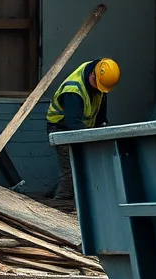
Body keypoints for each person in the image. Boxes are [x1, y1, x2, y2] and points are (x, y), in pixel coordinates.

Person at [46, 57, 120, 201]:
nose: (100, 90)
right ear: (93, 75)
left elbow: (100, 116)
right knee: (71, 173)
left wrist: (102, 128)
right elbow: (74, 125)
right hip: (62, 129)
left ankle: (62, 196)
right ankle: (59, 206)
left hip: (83, 128)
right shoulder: (73, 90)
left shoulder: (100, 78)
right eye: (98, 86)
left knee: (83, 169)